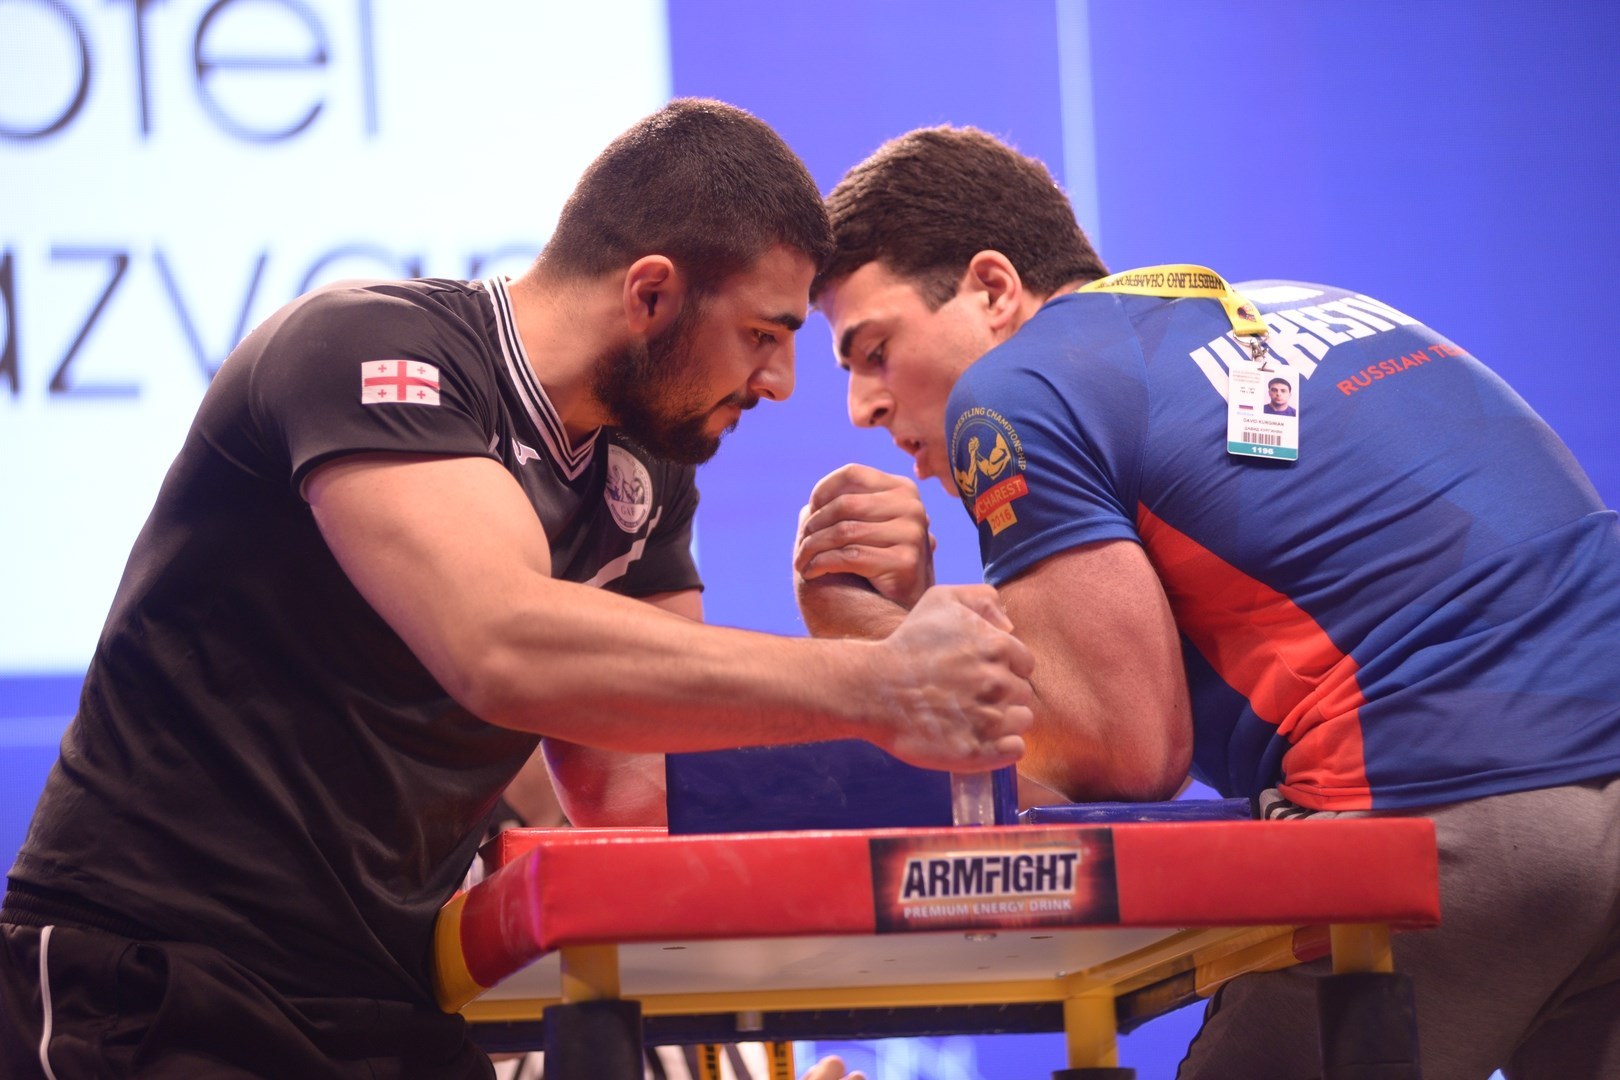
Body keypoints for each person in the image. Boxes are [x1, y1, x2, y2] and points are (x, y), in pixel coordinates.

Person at [0, 102, 1033, 1080]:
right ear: (651, 294)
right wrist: (876, 681)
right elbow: (498, 642)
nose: (782, 384)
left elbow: (636, 797)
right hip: (151, 980)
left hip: (382, 1001)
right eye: (765, 335)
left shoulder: (647, 475)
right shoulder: (367, 350)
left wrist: (892, 646)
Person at [793, 125, 1620, 1079]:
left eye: (873, 350)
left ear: (991, 287)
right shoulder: (1294, 309)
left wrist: (876, 644)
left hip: (1450, 821)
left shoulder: (1010, 389)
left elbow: (1127, 755)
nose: (860, 405)